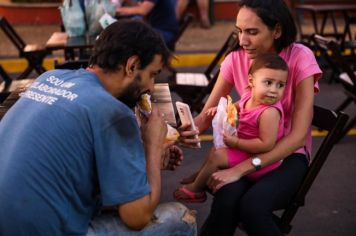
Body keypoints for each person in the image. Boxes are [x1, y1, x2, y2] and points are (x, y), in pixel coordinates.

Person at [0, 20, 196, 236]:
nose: (150, 87)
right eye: (152, 74)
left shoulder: (49, 77)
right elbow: (137, 216)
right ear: (131, 66)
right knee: (180, 219)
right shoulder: (114, 112)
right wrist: (153, 147)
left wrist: (143, 160)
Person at [178, 0, 323, 235]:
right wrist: (172, 137)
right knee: (226, 200)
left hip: (287, 156)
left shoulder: (300, 57)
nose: (243, 40)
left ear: (277, 30)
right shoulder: (236, 57)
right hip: (245, 150)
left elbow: (297, 138)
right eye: (239, 31)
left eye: (252, 32)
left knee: (253, 207)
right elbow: (206, 115)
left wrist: (240, 169)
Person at [174, 53, 288, 203]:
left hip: (261, 163)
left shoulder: (270, 113)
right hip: (248, 151)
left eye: (280, 85)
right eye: (268, 82)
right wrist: (222, 109)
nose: (274, 90)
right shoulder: (250, 96)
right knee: (215, 150)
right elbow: (237, 106)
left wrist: (236, 143)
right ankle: (200, 176)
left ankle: (196, 190)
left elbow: (266, 145)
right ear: (251, 81)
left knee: (218, 156)